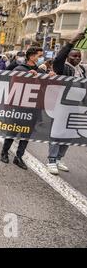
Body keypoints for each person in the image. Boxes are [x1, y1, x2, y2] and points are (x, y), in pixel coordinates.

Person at [0, 47, 54, 170]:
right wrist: (30, 77)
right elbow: (14, 86)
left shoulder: (40, 71)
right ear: (31, 56)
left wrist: (50, 77)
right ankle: (4, 152)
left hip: (33, 107)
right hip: (18, 107)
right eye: (39, 56)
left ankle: (19, 157)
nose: (41, 59)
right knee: (13, 131)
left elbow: (46, 86)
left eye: (41, 56)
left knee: (26, 133)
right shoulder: (19, 69)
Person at [46, 31, 86, 175]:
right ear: (68, 57)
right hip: (61, 106)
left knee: (70, 134)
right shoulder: (63, 68)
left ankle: (59, 158)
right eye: (74, 56)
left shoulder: (81, 70)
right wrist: (71, 43)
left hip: (77, 107)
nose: (77, 58)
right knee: (57, 133)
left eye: (79, 56)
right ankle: (51, 160)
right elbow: (58, 59)